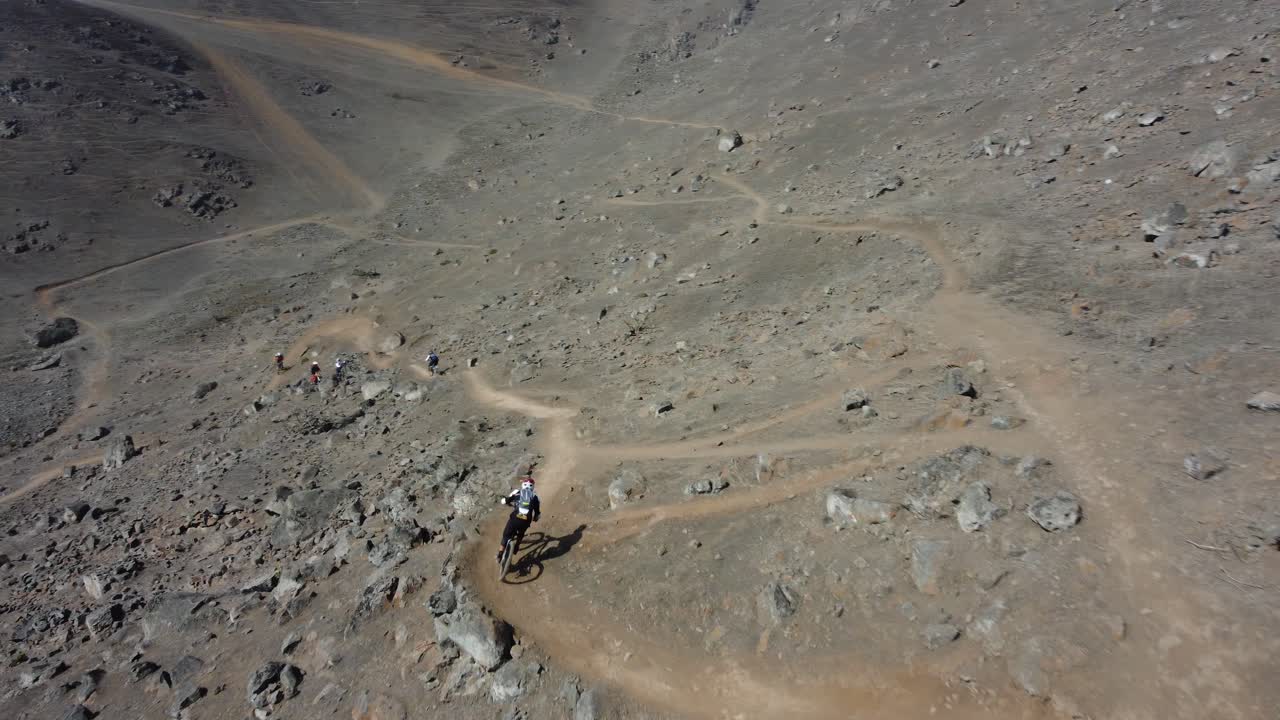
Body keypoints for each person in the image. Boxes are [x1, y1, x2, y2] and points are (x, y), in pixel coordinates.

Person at [497, 476, 540, 564]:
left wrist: (504, 501)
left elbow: (506, 500)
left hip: (515, 518)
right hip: (526, 520)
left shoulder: (517, 492)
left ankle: (500, 555)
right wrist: (535, 518)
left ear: (523, 485)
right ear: (532, 486)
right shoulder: (535, 497)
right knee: (521, 533)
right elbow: (537, 514)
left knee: (506, 535)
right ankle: (516, 546)